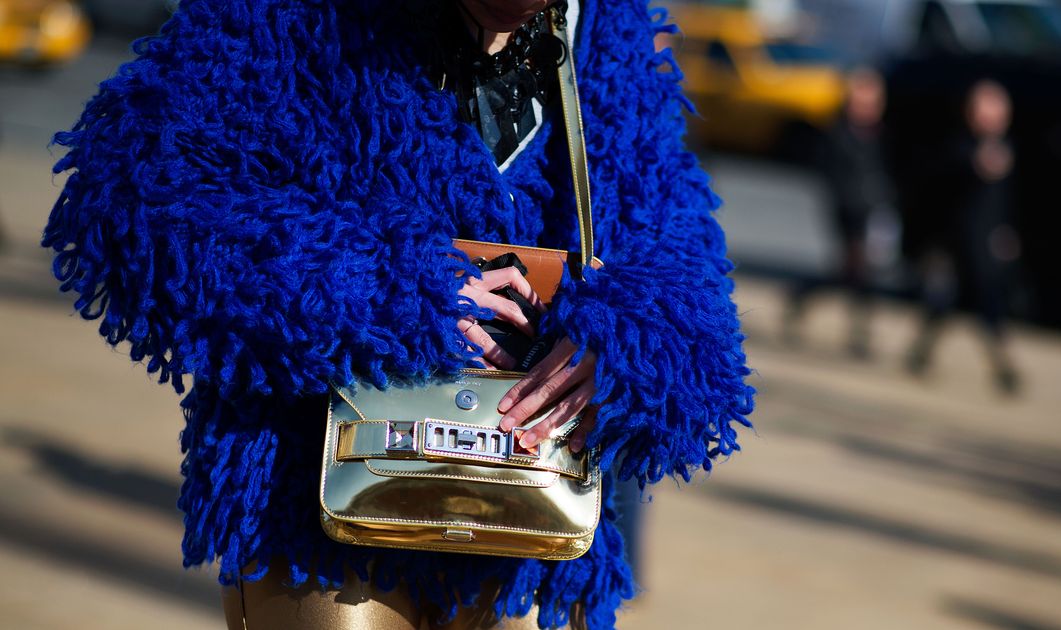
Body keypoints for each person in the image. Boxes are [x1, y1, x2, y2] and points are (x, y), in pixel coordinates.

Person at [40, 1, 754, 628]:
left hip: (524, 527)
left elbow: (676, 242)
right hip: (319, 516)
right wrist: (391, 284)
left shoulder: (605, 22)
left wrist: (630, 341)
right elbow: (132, 194)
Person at [906, 79, 1021, 393]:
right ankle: (922, 351)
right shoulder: (958, 145)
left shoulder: (1005, 149)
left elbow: (1005, 202)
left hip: (985, 243)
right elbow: (936, 187)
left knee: (986, 304)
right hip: (955, 240)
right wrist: (972, 166)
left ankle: (1003, 366)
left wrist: (1006, 232)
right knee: (945, 301)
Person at [783, 66, 897, 358]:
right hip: (846, 210)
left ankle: (803, 293)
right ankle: (859, 333)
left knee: (853, 273)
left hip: (872, 211)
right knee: (859, 271)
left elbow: (884, 171)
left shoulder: (881, 133)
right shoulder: (837, 131)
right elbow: (829, 175)